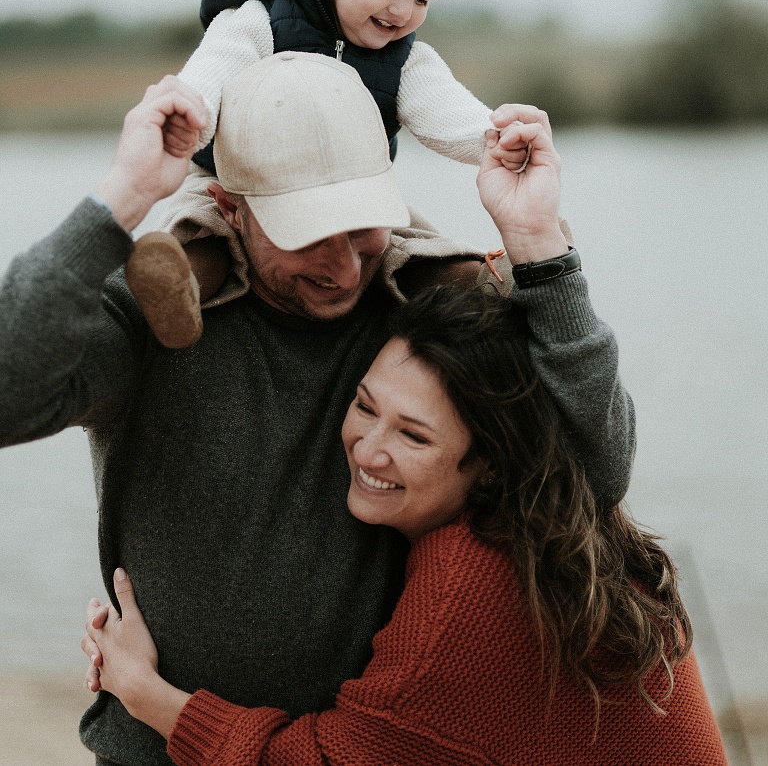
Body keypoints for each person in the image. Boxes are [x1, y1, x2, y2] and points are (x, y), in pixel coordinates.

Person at [0, 52, 633, 766]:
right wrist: (122, 197)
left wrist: (540, 248)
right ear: (230, 209)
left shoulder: (428, 313)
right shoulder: (157, 314)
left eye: (362, 225)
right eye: (307, 234)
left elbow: (594, 469)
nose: (343, 266)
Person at [80, 285, 728, 765]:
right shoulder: (559, 530)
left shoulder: (473, 577)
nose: (367, 450)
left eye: (413, 436)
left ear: (493, 467)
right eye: (365, 406)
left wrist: (143, 693)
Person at [126, 0, 505, 349]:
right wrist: (191, 111)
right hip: (239, 181)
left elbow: (444, 109)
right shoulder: (262, 17)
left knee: (407, 243)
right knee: (204, 229)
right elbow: (216, 65)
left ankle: (478, 283)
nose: (403, 11)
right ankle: (175, 291)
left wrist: (493, 139)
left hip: (355, 190)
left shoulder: (405, 57)